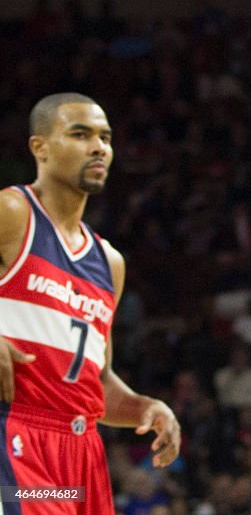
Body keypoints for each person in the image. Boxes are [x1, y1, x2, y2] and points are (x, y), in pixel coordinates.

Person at [0, 93, 181, 514]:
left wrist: (146, 407)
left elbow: (96, 382)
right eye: (80, 134)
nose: (98, 147)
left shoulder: (109, 262)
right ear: (39, 147)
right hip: (17, 432)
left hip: (82, 452)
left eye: (105, 137)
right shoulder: (13, 213)